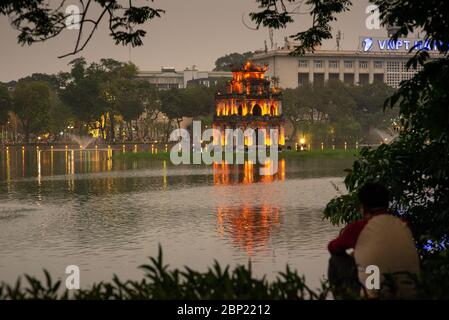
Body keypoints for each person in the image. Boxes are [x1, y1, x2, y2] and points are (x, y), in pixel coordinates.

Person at [327, 182, 420, 299]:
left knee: (335, 259)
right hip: (410, 293)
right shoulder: (403, 224)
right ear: (387, 204)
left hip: (375, 295)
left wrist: (354, 255)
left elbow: (333, 248)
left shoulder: (359, 227)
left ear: (363, 207)